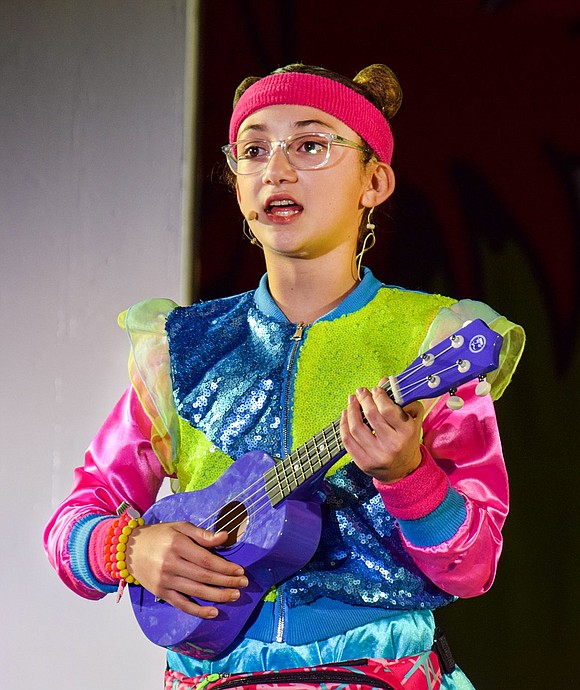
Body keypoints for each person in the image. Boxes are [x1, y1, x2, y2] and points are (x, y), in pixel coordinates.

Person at [44, 63, 525, 690]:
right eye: (253, 149)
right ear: (239, 183)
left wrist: (408, 478)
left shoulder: (430, 342)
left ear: (374, 181)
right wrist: (130, 550)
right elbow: (73, 522)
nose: (276, 168)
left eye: (310, 144)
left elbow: (474, 566)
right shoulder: (179, 348)